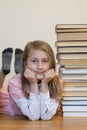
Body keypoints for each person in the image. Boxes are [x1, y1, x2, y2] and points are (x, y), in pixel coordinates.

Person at [0, 40, 64, 120]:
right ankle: (4, 71)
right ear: (26, 64)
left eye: (45, 61)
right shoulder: (15, 83)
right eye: (34, 61)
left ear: (51, 64)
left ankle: (17, 70)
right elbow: (34, 116)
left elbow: (46, 116)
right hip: (16, 111)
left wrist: (44, 84)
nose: (40, 67)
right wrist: (33, 84)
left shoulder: (57, 82)